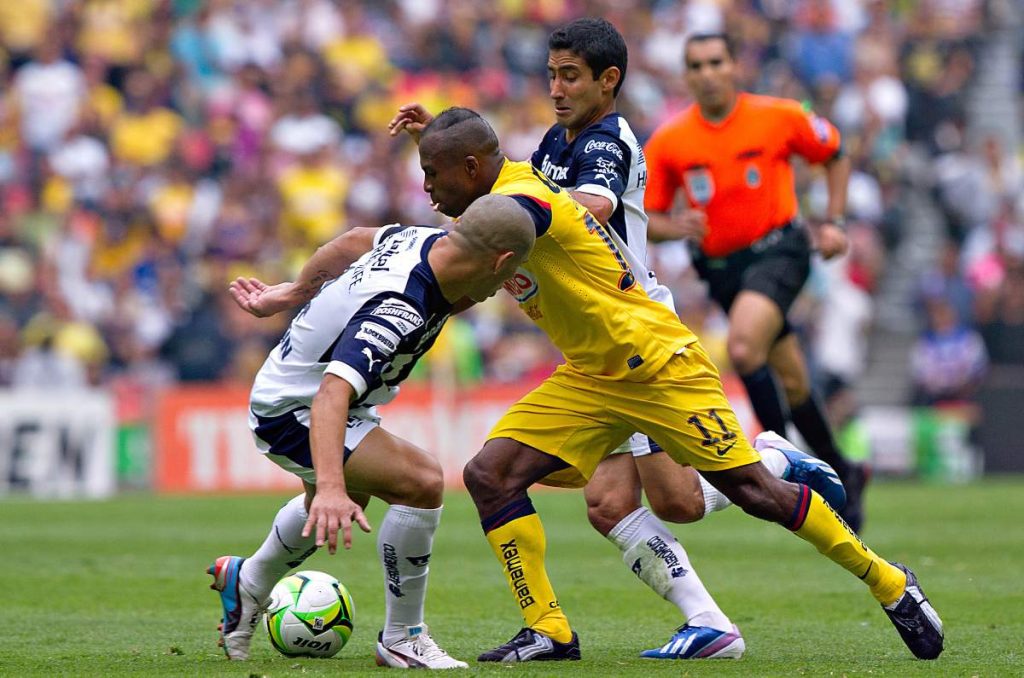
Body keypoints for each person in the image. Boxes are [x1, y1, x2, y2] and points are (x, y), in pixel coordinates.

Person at [246, 107, 942, 664]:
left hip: (656, 364)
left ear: (472, 171)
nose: (428, 189)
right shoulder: (494, 182)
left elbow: (539, 211)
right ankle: (548, 628)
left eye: (434, 174)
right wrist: (435, 142)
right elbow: (383, 229)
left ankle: (888, 581)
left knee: (746, 494)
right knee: (491, 474)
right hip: (590, 374)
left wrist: (493, 214)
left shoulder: (522, 201)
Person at [387, 17, 845, 660]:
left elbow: (589, 207)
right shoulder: (552, 141)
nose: (556, 88)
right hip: (592, 346)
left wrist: (531, 219)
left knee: (677, 501)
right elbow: (504, 179)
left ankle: (772, 465)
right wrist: (445, 140)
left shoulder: (611, 139)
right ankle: (707, 620)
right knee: (609, 503)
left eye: (568, 75)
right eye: (550, 75)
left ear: (609, 81)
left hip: (635, 337)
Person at [209, 193, 536, 667]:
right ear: (501, 261)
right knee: (421, 481)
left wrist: (296, 291)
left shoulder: (420, 240)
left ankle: (249, 580)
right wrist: (331, 487)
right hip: (293, 410)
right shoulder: (399, 308)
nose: (506, 285)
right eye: (510, 274)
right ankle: (402, 637)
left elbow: (355, 240)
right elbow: (331, 394)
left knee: (356, 496)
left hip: (301, 388)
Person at [643, 32, 871, 532]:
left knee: (744, 349)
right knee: (791, 378)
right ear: (686, 75)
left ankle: (783, 467)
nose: (706, 73)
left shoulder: (779, 116)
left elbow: (835, 152)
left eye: (715, 62)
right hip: (722, 271)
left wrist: (833, 220)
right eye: (695, 65)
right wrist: (676, 226)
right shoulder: (671, 140)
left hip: (780, 252)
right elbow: (647, 217)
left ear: (735, 66)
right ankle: (845, 469)